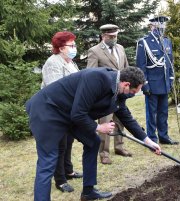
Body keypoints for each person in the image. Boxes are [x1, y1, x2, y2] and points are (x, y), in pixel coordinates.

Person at [25, 67, 161, 201]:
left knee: (93, 142)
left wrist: (148, 142)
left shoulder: (118, 91)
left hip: (70, 113)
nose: (131, 95)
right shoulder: (97, 78)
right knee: (48, 160)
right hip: (47, 110)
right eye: (132, 92)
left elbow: (126, 117)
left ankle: (88, 192)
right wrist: (99, 127)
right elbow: (78, 114)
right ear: (126, 84)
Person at [41, 31, 82, 193]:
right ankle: (60, 180)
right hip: (56, 110)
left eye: (74, 45)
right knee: (60, 145)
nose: (74, 48)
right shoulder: (53, 62)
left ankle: (68, 170)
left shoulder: (70, 61)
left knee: (69, 141)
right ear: (60, 47)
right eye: (71, 45)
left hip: (70, 108)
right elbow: (54, 89)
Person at [87, 24, 132, 165]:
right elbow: (91, 73)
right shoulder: (94, 51)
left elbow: (125, 68)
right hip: (105, 95)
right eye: (111, 37)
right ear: (103, 36)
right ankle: (104, 153)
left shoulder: (120, 48)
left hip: (120, 92)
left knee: (120, 120)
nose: (114, 39)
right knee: (105, 123)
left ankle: (119, 147)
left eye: (116, 36)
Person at [136, 16, 178, 145]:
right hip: (152, 84)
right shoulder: (144, 42)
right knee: (151, 114)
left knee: (163, 112)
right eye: (159, 26)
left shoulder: (166, 41)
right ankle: (152, 139)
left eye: (163, 26)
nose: (161, 29)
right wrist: (145, 85)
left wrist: (170, 80)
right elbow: (141, 66)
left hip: (164, 83)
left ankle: (164, 137)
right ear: (152, 26)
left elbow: (170, 62)